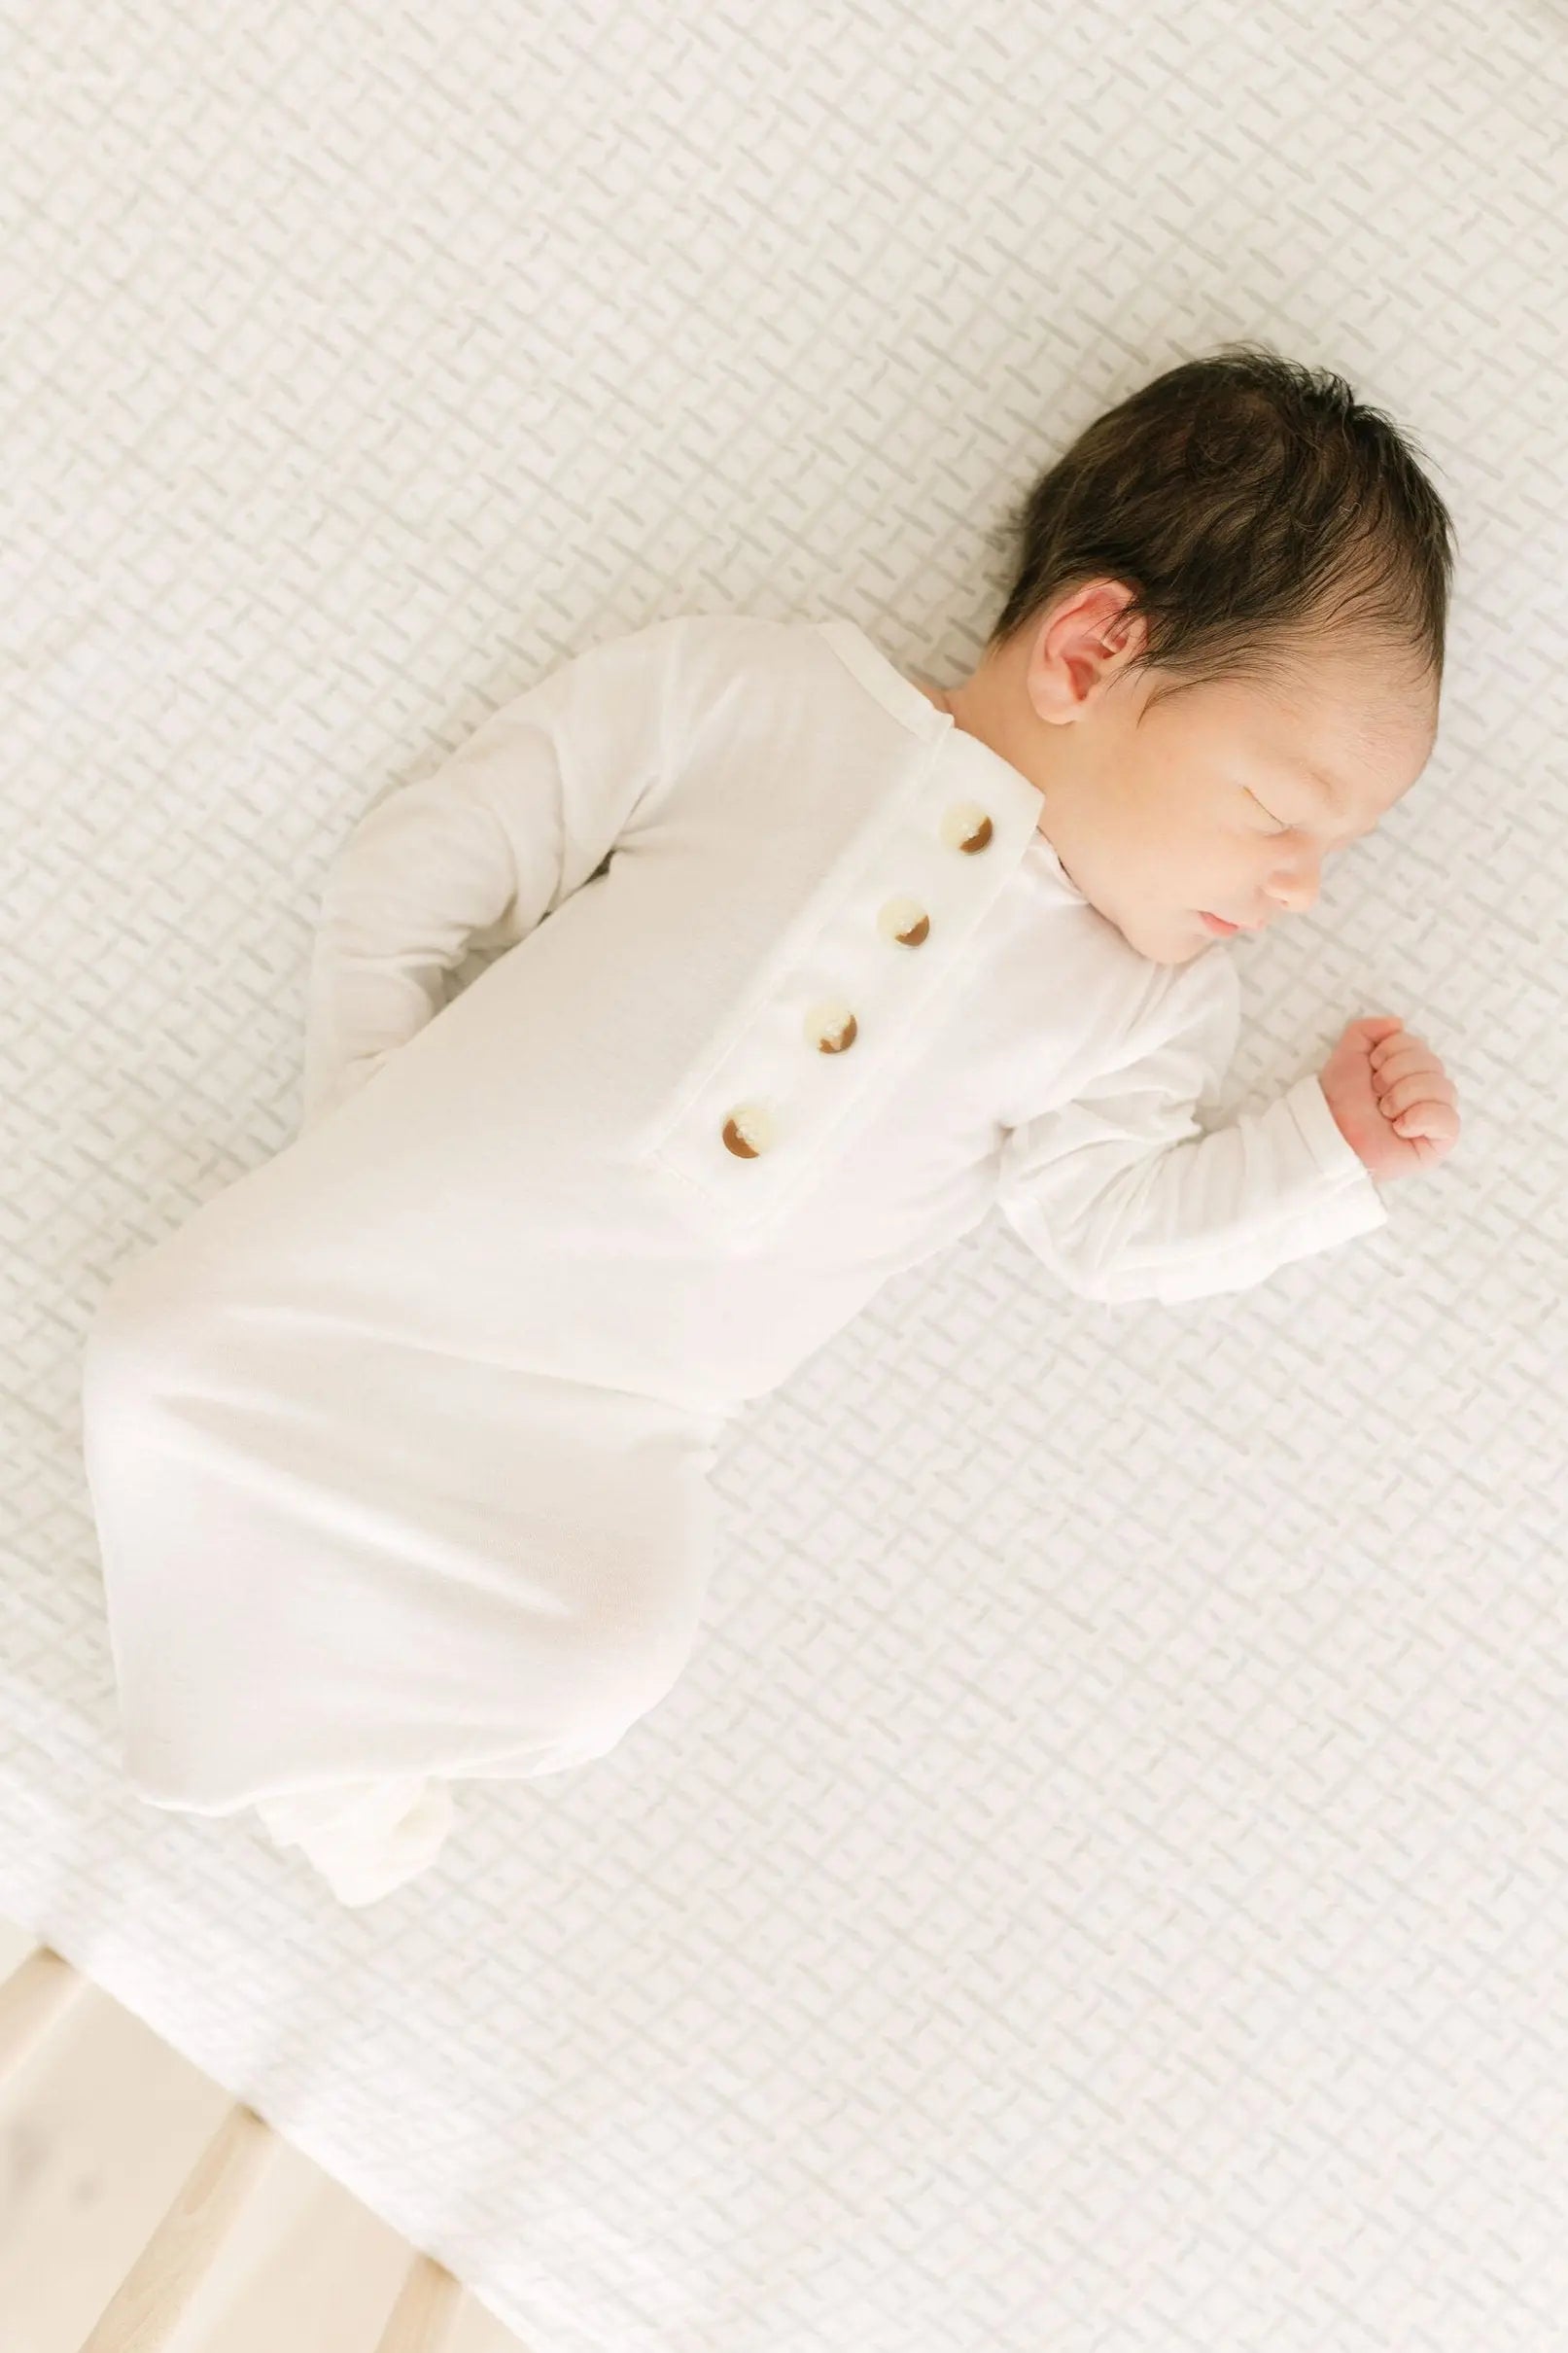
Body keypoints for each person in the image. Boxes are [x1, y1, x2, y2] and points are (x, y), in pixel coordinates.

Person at [80, 349, 1461, 1904]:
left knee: (607, 1653)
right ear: (1089, 652)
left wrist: (1318, 1154)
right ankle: (279, 1714)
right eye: (1276, 812)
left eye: (1332, 852)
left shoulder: (1140, 1006)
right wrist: (360, 1122)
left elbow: (1102, 1229)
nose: (1299, 889)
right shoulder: (761, 698)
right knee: (155, 1351)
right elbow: (430, 862)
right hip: (364, 1276)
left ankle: (333, 1759)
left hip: (609, 1418)